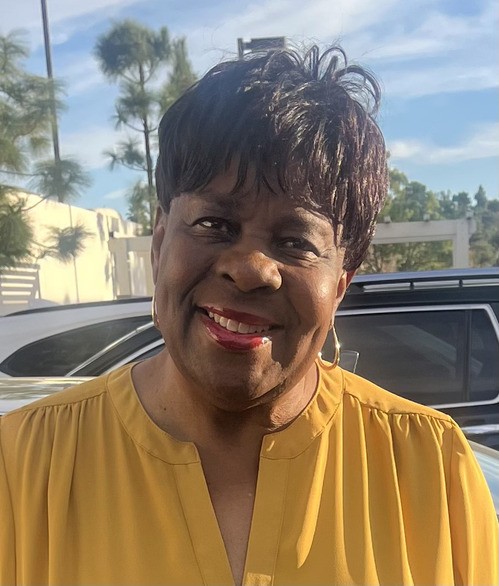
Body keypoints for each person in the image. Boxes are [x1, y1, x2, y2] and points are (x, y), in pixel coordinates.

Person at [0, 46, 497, 586]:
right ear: (160, 242)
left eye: (296, 241)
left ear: (342, 283)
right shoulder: (24, 465)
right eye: (214, 224)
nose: (251, 269)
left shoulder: (431, 469)